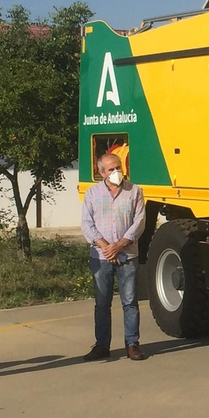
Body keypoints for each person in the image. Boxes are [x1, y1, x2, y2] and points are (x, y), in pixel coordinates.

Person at [80, 151, 148, 362]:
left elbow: (139, 222)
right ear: (101, 172)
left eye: (118, 167)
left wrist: (119, 246)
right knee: (102, 303)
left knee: (130, 302)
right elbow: (87, 225)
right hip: (101, 257)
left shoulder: (134, 192)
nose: (117, 172)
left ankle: (132, 344)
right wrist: (106, 248)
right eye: (111, 169)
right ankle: (102, 346)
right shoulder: (92, 194)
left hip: (127, 255)